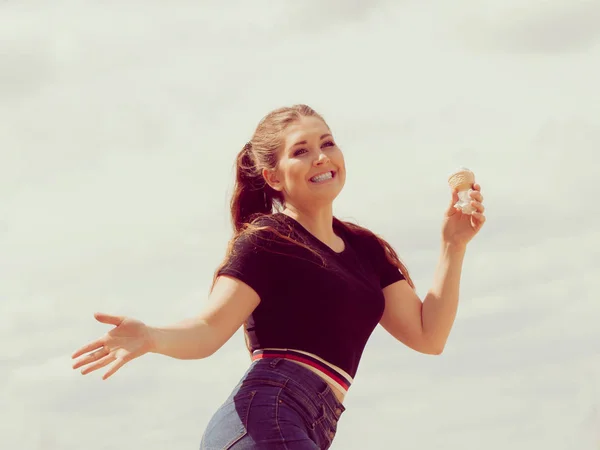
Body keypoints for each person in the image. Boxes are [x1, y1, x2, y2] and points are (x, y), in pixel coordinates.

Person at [71, 104, 486, 449]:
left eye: (327, 143)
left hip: (308, 424)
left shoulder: (365, 248)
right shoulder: (268, 240)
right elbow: (208, 328)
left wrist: (453, 245)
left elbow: (428, 336)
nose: (321, 157)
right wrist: (152, 337)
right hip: (266, 415)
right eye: (301, 151)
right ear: (273, 176)